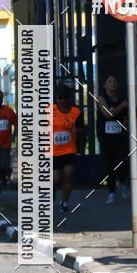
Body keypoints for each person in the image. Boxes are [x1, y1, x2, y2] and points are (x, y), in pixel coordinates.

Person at [50, 84, 85, 213]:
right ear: (57, 99)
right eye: (60, 98)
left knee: (68, 176)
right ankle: (52, 192)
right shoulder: (49, 110)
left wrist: (78, 131)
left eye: (65, 98)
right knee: (56, 179)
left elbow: (82, 128)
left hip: (69, 149)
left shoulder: (76, 112)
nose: (63, 101)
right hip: (53, 151)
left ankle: (64, 202)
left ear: (69, 98)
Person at [96, 75, 130, 205]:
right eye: (110, 81)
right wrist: (122, 106)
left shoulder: (122, 99)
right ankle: (111, 192)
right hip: (105, 135)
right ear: (105, 85)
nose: (113, 83)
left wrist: (127, 118)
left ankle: (121, 181)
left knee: (125, 158)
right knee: (109, 163)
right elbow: (107, 114)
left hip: (120, 134)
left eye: (115, 81)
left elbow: (135, 112)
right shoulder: (101, 98)